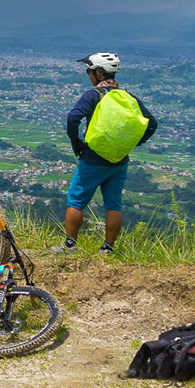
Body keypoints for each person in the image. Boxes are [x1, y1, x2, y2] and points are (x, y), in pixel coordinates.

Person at [56, 53, 157, 255]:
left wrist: (76, 143)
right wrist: (128, 145)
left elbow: (73, 118)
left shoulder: (93, 95)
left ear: (99, 73)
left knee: (76, 201)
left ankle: (69, 246)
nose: (88, 75)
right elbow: (151, 124)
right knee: (113, 204)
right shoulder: (128, 97)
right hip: (119, 161)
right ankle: (108, 248)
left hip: (93, 159)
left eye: (89, 71)